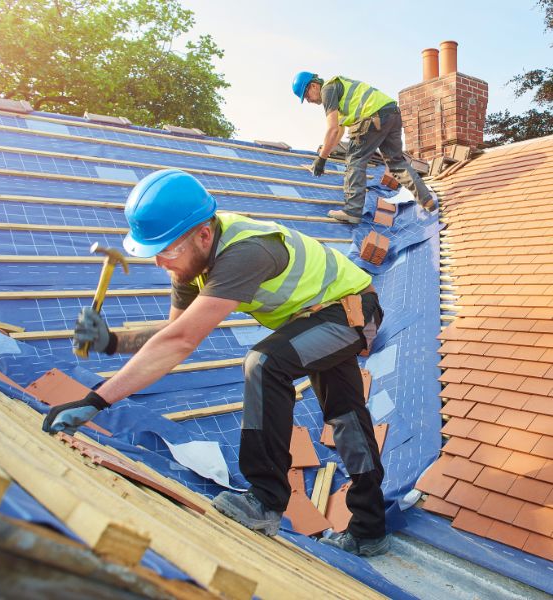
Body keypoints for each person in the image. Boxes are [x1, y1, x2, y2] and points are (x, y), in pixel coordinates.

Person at [42, 168, 390, 557]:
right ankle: (370, 529)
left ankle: (265, 500)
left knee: (264, 363)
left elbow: (179, 343)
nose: (160, 262)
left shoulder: (245, 252)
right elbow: (174, 334)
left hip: (352, 311)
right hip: (315, 318)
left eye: (167, 250)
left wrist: (95, 401)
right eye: (154, 252)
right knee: (346, 417)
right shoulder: (189, 262)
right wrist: (112, 342)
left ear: (204, 235)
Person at [292, 71, 437, 224]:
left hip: (373, 116)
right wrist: (325, 154)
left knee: (355, 160)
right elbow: (338, 132)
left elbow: (332, 129)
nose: (308, 101)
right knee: (396, 163)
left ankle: (352, 211)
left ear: (314, 85)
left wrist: (321, 159)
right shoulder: (339, 93)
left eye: (306, 95)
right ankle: (427, 200)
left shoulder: (327, 90)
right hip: (391, 114)